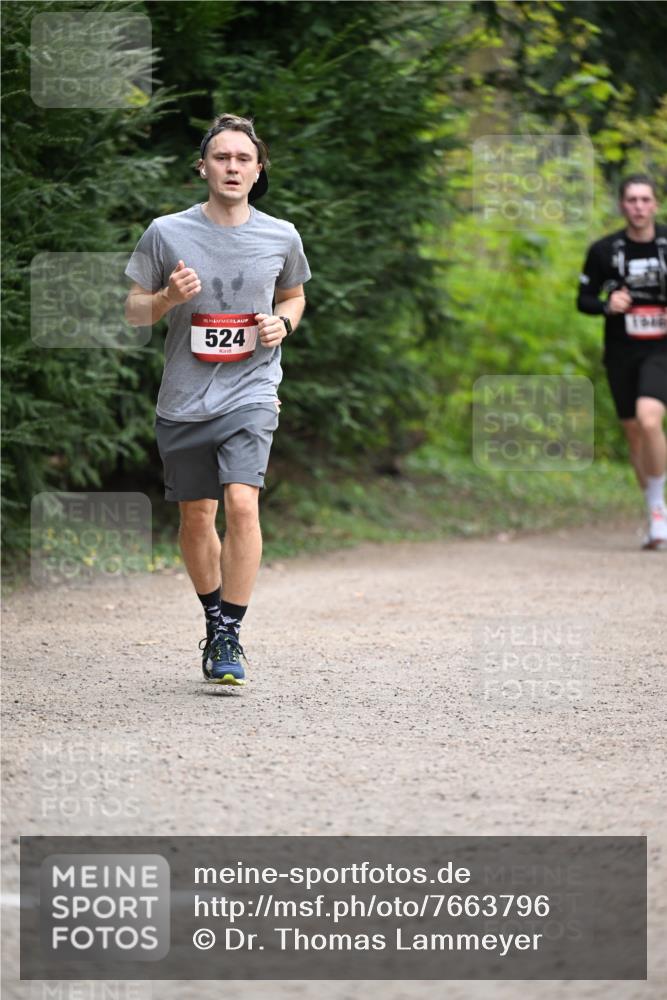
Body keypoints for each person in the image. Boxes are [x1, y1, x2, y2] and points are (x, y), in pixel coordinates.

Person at [124, 113, 311, 683]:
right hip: (184, 398)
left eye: (243, 159)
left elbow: (294, 295)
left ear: (258, 171)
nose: (232, 167)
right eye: (222, 157)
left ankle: (230, 631)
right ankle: (213, 617)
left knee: (242, 504)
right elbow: (133, 312)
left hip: (252, 390)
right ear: (202, 167)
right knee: (196, 515)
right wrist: (165, 297)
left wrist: (282, 323)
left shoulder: (281, 235)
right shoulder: (166, 232)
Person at [577, 173, 667, 550]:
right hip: (622, 351)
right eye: (632, 200)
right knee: (633, 431)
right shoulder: (603, 250)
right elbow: (583, 300)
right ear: (622, 206)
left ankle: (659, 511)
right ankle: (653, 509)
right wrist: (607, 305)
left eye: (645, 199)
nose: (639, 207)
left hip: (662, 350)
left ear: (655, 204)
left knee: (649, 420)